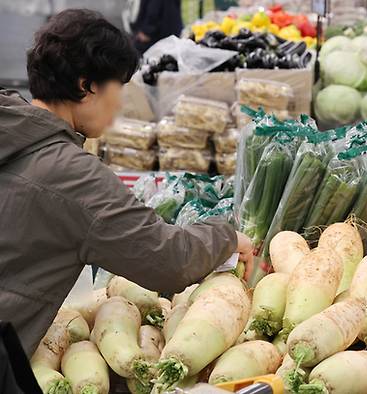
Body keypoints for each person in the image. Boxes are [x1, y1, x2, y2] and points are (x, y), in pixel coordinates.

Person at [0, 9, 253, 356]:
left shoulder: (11, 129)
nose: (120, 103)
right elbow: (167, 260)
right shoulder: (72, 174)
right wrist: (225, 238)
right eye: (119, 87)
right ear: (86, 86)